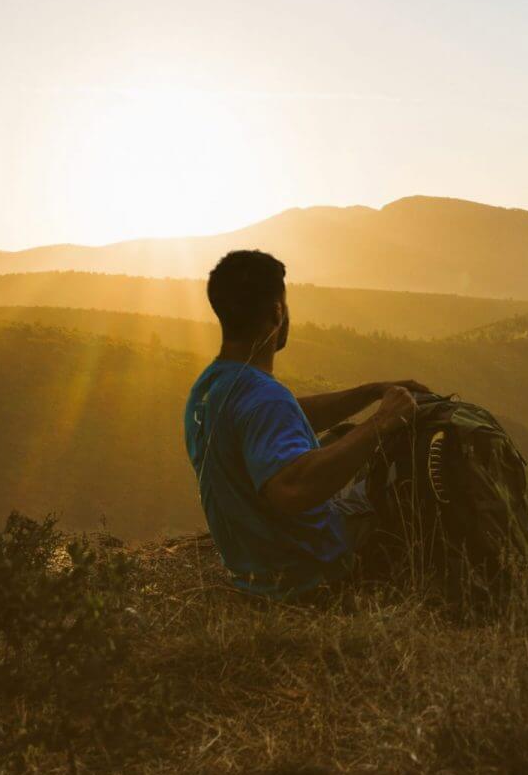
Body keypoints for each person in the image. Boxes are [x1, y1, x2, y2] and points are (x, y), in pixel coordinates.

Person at [183, 248, 427, 599]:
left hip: (255, 566)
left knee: (343, 436)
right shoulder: (264, 397)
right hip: (308, 569)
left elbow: (281, 418)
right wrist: (382, 423)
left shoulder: (210, 388)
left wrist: (371, 392)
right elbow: (290, 491)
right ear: (277, 312)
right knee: (406, 482)